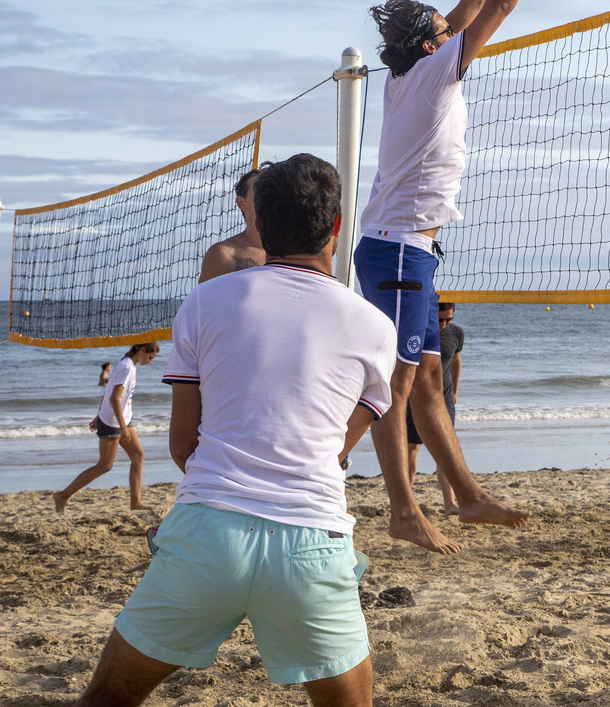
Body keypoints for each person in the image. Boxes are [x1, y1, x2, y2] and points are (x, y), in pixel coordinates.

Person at [73, 153, 396, 707]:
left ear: (259, 223)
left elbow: (183, 444)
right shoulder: (375, 325)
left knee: (105, 700)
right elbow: (334, 451)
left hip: (208, 534)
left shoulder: (205, 300)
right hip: (310, 544)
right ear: (338, 225)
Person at [355, 0, 581, 552]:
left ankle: (468, 495)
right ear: (431, 44)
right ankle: (402, 509)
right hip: (398, 249)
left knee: (426, 377)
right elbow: (498, 5)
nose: (452, 26)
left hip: (408, 250)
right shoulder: (432, 75)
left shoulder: (409, 72)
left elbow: (469, 3)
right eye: (442, 27)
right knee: (397, 384)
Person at [55, 341, 160, 514]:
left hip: (121, 419)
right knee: (105, 465)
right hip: (113, 422)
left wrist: (99, 414)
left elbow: (108, 391)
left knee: (138, 456)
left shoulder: (128, 364)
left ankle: (136, 503)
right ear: (142, 350)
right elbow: (114, 397)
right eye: (150, 357)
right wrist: (121, 426)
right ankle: (62, 496)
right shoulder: (127, 367)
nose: (149, 361)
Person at [405, 300, 464, 515]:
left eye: (448, 319)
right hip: (415, 399)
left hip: (444, 400)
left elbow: (455, 361)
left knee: (446, 451)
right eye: (440, 320)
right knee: (412, 448)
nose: (444, 324)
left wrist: (454, 391)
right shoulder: (416, 331)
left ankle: (450, 503)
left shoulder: (456, 333)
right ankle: (407, 501)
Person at [198, 162, 273, 282]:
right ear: (241, 203)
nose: (268, 197)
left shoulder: (296, 252)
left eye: (272, 191)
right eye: (260, 191)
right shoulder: (223, 254)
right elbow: (203, 294)